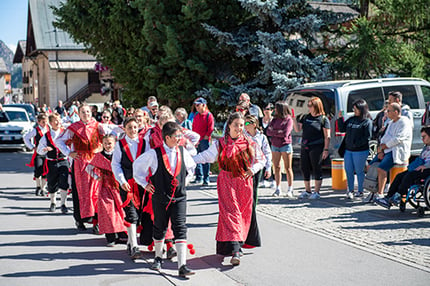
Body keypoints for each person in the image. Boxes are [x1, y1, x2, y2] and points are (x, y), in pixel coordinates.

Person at [193, 112, 265, 266]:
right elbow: (206, 156)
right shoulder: (220, 143)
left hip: (244, 182)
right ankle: (236, 250)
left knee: (242, 213)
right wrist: (189, 160)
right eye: (236, 125)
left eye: (241, 125)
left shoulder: (249, 143)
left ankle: (232, 245)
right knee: (230, 213)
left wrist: (253, 169)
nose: (239, 128)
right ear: (229, 126)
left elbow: (261, 160)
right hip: (226, 181)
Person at [134, 122, 196, 277]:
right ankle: (158, 257)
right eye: (177, 136)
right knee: (160, 227)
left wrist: (185, 182)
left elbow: (192, 169)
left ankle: (182, 265)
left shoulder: (182, 151)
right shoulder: (154, 154)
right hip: (160, 197)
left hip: (179, 197)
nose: (180, 139)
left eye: (180, 136)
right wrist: (144, 184)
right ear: (167, 137)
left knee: (180, 227)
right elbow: (137, 168)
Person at [56, 104, 106, 231]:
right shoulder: (73, 128)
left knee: (96, 191)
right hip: (80, 162)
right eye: (83, 112)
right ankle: (80, 219)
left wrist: (103, 149)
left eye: (88, 112)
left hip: (95, 161)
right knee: (80, 191)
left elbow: (109, 137)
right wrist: (69, 153)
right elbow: (59, 141)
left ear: (92, 112)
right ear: (78, 114)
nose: (86, 114)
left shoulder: (98, 126)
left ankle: (97, 221)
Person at [111, 117, 148, 259]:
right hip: (127, 184)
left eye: (135, 127)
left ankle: (130, 241)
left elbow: (150, 161)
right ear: (124, 129)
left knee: (139, 215)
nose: (133, 130)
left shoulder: (144, 143)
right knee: (131, 214)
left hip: (142, 184)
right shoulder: (120, 145)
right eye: (129, 128)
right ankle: (134, 247)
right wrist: (121, 180)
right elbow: (115, 164)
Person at [86, 134, 128, 247]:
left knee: (121, 209)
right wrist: (96, 177)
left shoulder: (119, 155)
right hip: (105, 185)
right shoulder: (99, 156)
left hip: (118, 185)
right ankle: (110, 236)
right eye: (105, 143)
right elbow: (88, 168)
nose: (107, 145)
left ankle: (122, 233)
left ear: (114, 143)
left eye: (110, 143)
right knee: (107, 210)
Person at [375, 126, 430, 209]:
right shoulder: (426, 148)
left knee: (409, 176)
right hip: (420, 168)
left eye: (424, 137)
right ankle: (389, 197)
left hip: (427, 170)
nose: (422, 139)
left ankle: (398, 196)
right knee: (399, 176)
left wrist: (425, 166)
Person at [367, 102, 413, 199]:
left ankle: (380, 193)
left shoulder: (404, 122)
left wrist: (385, 146)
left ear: (396, 112)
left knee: (381, 168)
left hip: (395, 151)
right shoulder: (391, 123)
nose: (387, 113)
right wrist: (380, 150)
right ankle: (372, 190)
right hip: (386, 150)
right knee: (370, 166)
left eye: (389, 111)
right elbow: (384, 137)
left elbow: (398, 138)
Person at [294, 97, 330, 200]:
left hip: (317, 146)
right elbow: (297, 129)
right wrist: (293, 119)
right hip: (305, 146)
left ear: (316, 106)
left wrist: (326, 149)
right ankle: (307, 190)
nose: (308, 107)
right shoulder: (305, 117)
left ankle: (317, 192)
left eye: (310, 105)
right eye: (308, 105)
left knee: (316, 168)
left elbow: (327, 136)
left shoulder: (323, 119)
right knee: (304, 167)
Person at [243, 115, 271, 249]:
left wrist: (268, 167)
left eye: (248, 123)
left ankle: (252, 211)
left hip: (256, 168)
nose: (245, 125)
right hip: (244, 168)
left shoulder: (261, 137)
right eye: (244, 122)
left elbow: (267, 152)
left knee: (253, 193)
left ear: (254, 124)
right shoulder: (242, 135)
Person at [336, 99, 373, 199]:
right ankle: (350, 190)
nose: (354, 110)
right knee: (348, 170)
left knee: (359, 171)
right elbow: (342, 128)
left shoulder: (367, 121)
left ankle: (360, 190)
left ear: (361, 109)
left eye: (356, 108)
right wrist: (340, 118)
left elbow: (367, 137)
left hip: (360, 150)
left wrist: (356, 144)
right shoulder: (352, 119)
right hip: (348, 150)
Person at [36, 114, 69, 213]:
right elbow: (39, 150)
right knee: (52, 182)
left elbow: (71, 145)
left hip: (63, 161)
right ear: (50, 123)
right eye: (55, 121)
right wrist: (45, 149)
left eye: (59, 120)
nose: (58, 122)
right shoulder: (47, 136)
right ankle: (53, 202)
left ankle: (63, 204)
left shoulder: (65, 133)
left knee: (64, 182)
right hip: (52, 162)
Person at [266, 101, 294, 197]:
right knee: (276, 167)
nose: (275, 110)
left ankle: (290, 189)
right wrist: (278, 132)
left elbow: (285, 133)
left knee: (288, 168)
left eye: (276, 108)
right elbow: (268, 132)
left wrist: (275, 132)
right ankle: (278, 188)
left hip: (285, 145)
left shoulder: (288, 119)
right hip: (275, 145)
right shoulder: (274, 119)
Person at [24, 113, 49, 196]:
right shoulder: (35, 130)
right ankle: (38, 186)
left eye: (46, 121)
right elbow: (26, 137)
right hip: (38, 153)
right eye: (43, 122)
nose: (45, 124)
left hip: (48, 153)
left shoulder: (49, 129)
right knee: (38, 169)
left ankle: (43, 188)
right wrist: (31, 147)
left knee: (46, 171)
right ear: (39, 122)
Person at [192, 97, 215, 186]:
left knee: (205, 159)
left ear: (203, 105)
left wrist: (205, 137)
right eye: (196, 105)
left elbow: (211, 128)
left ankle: (206, 178)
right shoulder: (196, 115)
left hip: (204, 141)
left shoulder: (209, 115)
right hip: (197, 140)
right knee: (197, 158)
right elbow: (194, 127)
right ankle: (199, 177)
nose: (196, 107)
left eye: (198, 105)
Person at [259, 102, 275, 188]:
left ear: (272, 111)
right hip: (262, 144)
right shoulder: (259, 120)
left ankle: (274, 180)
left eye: (268, 109)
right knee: (265, 160)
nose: (266, 111)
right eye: (265, 109)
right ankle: (265, 180)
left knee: (273, 162)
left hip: (273, 143)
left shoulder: (274, 121)